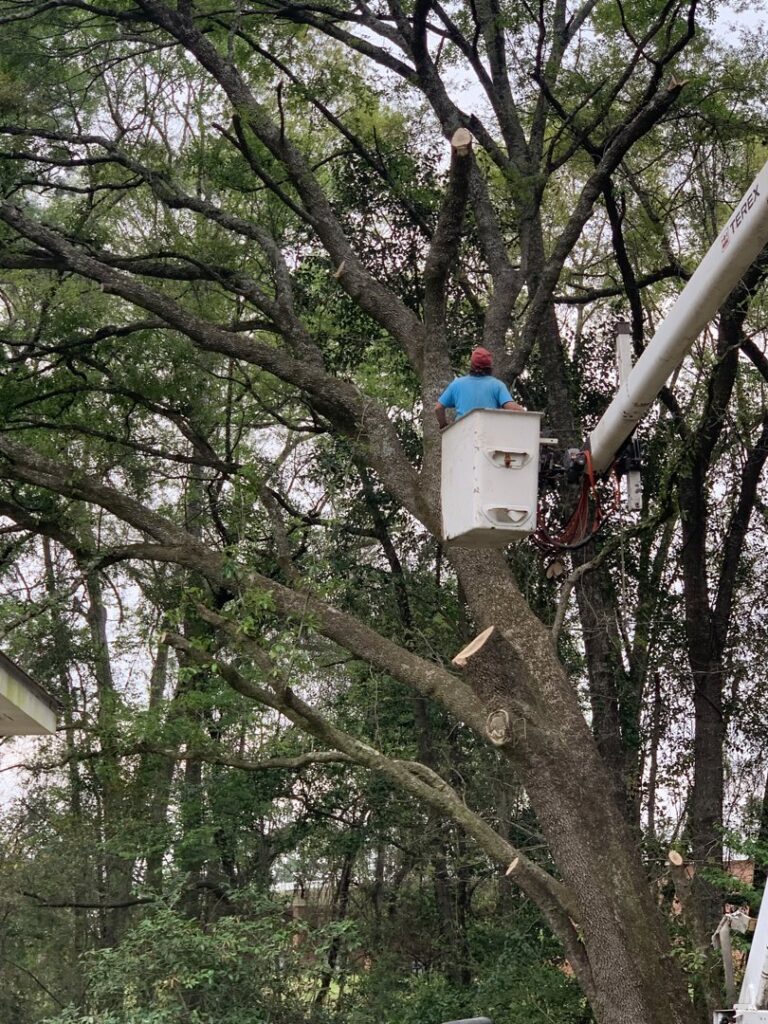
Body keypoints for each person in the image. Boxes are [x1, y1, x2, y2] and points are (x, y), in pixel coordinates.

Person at [435, 347, 523, 429]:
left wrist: (443, 425)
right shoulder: (497, 385)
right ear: (490, 367)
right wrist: (528, 415)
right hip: (488, 434)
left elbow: (438, 408)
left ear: (472, 365)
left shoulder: (457, 384)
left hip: (462, 435)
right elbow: (512, 408)